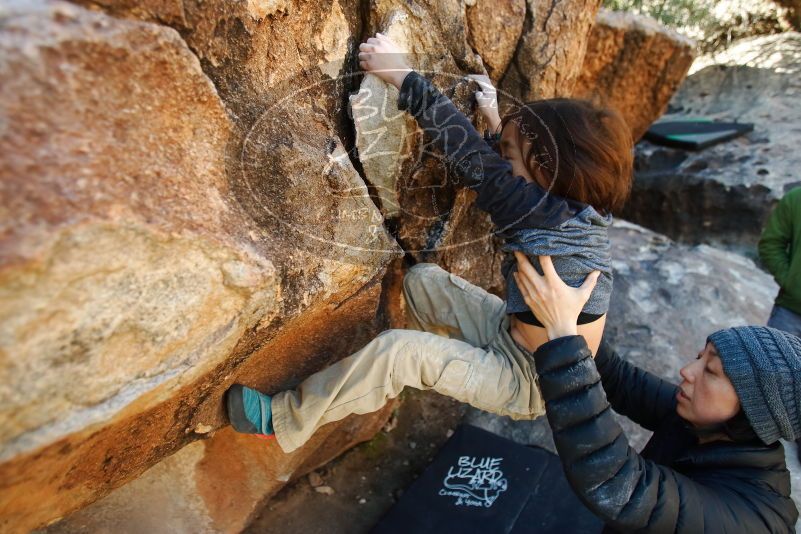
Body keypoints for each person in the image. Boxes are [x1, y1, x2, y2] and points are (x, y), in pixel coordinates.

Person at [224, 33, 632, 453]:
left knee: (400, 353)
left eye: (510, 154)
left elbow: (471, 156)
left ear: (544, 173)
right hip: (513, 335)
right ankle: (417, 366)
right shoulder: (577, 206)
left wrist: (402, 74)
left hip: (531, 380)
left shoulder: (545, 217)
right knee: (422, 282)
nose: (502, 159)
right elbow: (508, 174)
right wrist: (495, 116)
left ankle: (283, 418)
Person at [511, 250, 800, 532]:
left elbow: (621, 486)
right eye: (700, 358)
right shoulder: (703, 424)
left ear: (756, 409)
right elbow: (621, 380)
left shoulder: (751, 517)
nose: (687, 371)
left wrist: (563, 338)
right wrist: (573, 318)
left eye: (710, 371)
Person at [759, 187, 801, 338]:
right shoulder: (795, 198)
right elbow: (770, 245)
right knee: (773, 362)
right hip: (791, 313)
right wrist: (790, 281)